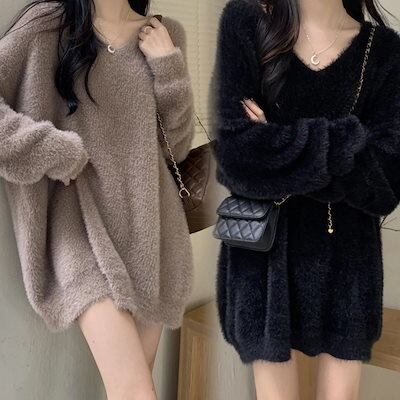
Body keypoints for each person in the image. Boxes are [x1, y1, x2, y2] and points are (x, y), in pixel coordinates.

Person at [0, 0, 195, 398]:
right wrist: (52, 150)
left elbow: (175, 148)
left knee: (128, 389)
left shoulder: (164, 34)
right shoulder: (45, 27)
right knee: (135, 391)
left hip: (150, 237)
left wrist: (168, 67)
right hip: (79, 232)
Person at [213, 0, 400, 399]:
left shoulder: (385, 51)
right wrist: (349, 140)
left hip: (348, 263)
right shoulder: (246, 24)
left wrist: (275, 142)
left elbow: (386, 180)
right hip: (263, 260)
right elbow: (236, 156)